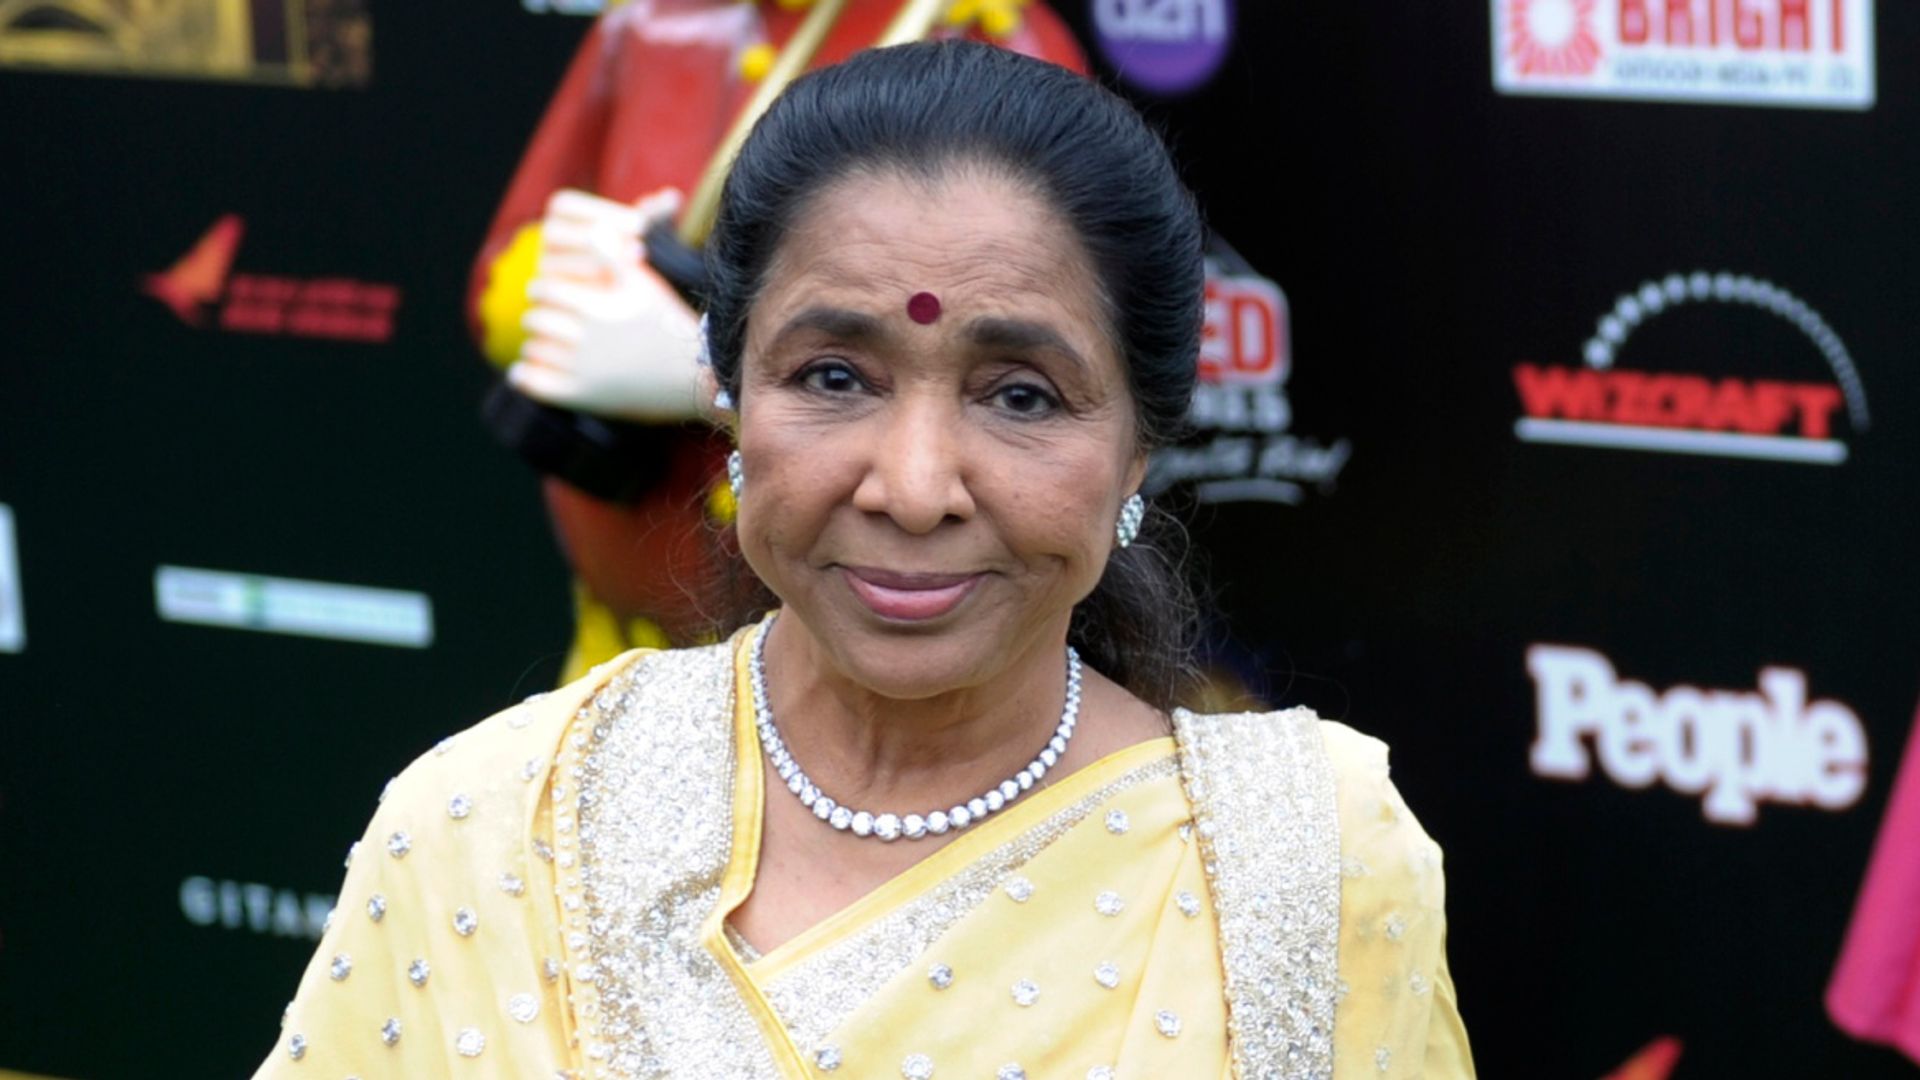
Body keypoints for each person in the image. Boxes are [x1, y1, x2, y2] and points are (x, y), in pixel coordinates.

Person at [254, 42, 1474, 1078]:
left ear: (1140, 447)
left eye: (1021, 395)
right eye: (835, 377)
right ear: (729, 398)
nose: (914, 486)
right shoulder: (490, 829)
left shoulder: (1304, 868)